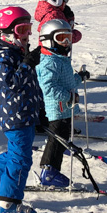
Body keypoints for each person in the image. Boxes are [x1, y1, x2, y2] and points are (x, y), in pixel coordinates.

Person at [0, 6, 42, 213]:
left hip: (24, 112)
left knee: (14, 153)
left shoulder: (16, 52)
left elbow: (31, 84)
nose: (27, 35)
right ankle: (8, 204)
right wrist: (27, 64)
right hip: (15, 114)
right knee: (21, 158)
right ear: (4, 33)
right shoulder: (2, 56)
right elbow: (11, 83)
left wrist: (40, 107)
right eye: (21, 30)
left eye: (29, 29)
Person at [35, 19, 89, 187]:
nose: (66, 42)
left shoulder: (60, 59)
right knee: (56, 139)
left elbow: (67, 82)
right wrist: (68, 97)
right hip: (57, 109)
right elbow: (49, 87)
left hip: (65, 108)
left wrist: (79, 78)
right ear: (47, 40)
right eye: (61, 38)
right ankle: (49, 172)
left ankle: (53, 168)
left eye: (68, 38)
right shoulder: (49, 62)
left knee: (62, 138)